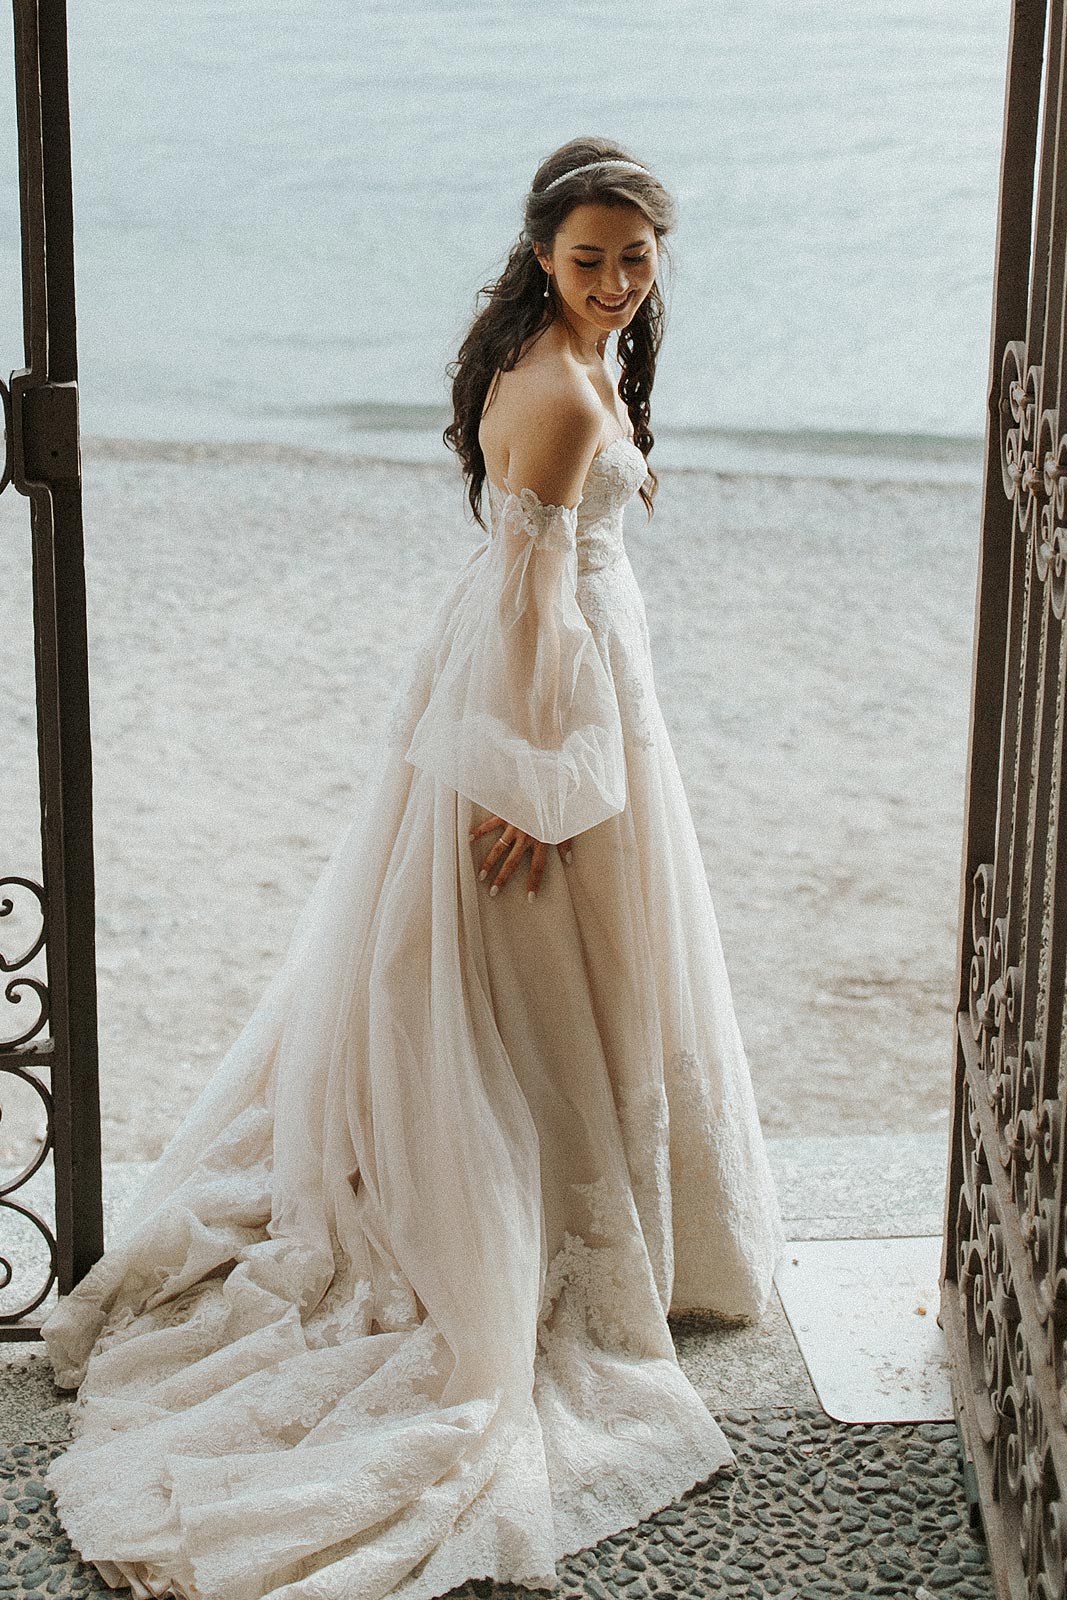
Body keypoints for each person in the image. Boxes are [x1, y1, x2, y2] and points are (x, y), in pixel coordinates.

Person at [39, 135, 786, 1600]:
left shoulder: (546, 354)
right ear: (540, 255)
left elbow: (527, 589)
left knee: (528, 1003)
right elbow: (535, 622)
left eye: (639, 259)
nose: (621, 284)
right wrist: (530, 785)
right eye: (592, 260)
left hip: (517, 694)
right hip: (538, 719)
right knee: (544, 997)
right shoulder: (567, 395)